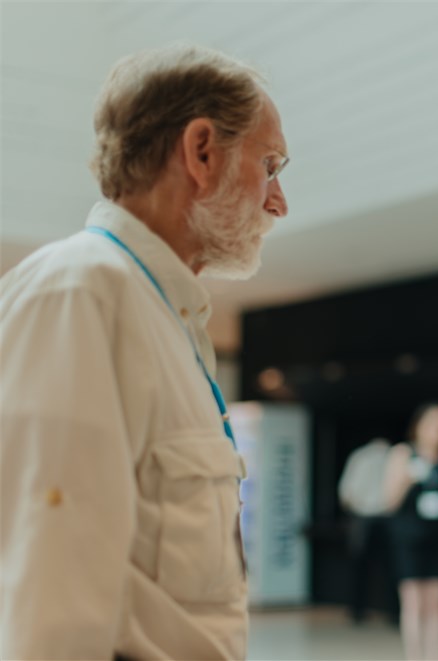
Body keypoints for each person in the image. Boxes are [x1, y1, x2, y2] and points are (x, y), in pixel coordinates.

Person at [0, 44, 289, 659]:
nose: (278, 201)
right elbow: (50, 598)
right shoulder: (81, 293)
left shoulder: (166, 315)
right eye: (269, 165)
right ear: (202, 151)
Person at [383, 402, 438, 661]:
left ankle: (434, 656)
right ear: (419, 426)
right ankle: (414, 656)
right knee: (412, 600)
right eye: (434, 423)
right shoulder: (403, 453)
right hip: (408, 537)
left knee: (436, 602)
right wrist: (408, 478)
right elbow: (389, 501)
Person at [338, 437, 397, 623]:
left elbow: (346, 492)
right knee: (390, 567)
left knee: (360, 567)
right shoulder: (394, 457)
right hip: (387, 517)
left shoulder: (359, 456)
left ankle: (358, 610)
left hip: (363, 517)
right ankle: (393, 613)